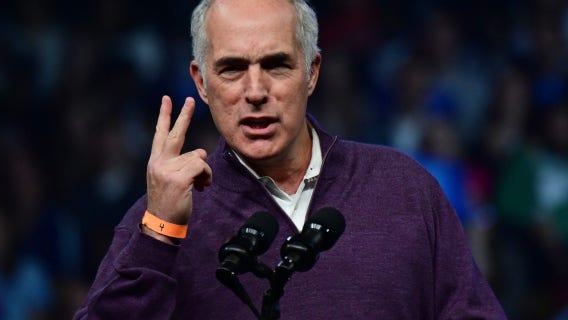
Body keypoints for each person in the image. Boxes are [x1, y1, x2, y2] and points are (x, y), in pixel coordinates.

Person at [73, 0, 506, 318]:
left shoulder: (403, 188)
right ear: (201, 83)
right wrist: (160, 235)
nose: (256, 91)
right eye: (232, 69)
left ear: (312, 72)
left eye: (277, 65)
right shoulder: (163, 218)